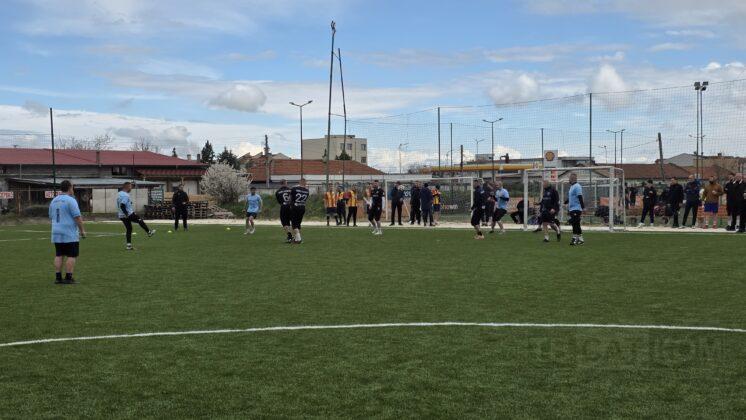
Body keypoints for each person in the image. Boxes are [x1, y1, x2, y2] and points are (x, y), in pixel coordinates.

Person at [49, 180, 86, 284]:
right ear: (70, 188)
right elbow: (77, 217)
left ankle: (58, 278)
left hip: (56, 231)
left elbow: (50, 216)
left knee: (59, 254)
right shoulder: (71, 200)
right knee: (71, 255)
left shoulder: (54, 200)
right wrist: (82, 230)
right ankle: (69, 278)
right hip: (69, 232)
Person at [117, 181, 155, 250]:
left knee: (129, 229)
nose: (131, 188)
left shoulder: (119, 193)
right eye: (131, 187)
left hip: (121, 215)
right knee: (140, 220)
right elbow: (122, 205)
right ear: (127, 187)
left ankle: (128, 246)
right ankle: (149, 232)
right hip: (128, 214)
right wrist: (126, 214)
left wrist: (129, 203)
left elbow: (122, 203)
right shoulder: (126, 195)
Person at [566, 173, 585, 246]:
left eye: (569, 178)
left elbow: (580, 197)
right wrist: (565, 202)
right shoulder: (572, 187)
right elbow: (571, 197)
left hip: (577, 208)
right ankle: (580, 239)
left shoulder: (577, 186)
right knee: (576, 224)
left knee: (574, 223)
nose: (569, 179)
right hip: (572, 209)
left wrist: (583, 208)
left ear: (572, 178)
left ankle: (574, 239)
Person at [290, 178, 309, 243]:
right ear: (305, 183)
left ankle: (299, 239)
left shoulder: (294, 189)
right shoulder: (307, 190)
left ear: (300, 182)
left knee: (294, 224)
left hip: (295, 207)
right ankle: (296, 239)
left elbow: (291, 197)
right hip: (302, 207)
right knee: (298, 224)